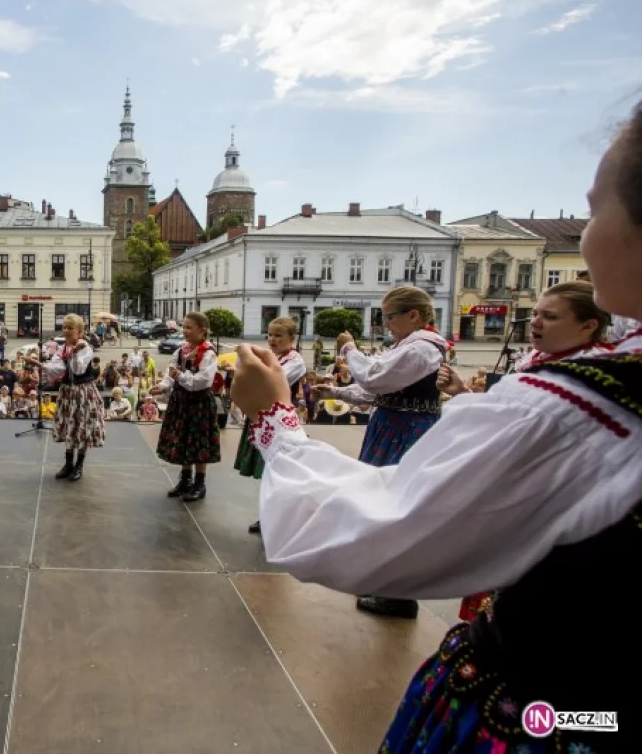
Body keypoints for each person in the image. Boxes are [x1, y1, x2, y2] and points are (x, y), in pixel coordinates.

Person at [230, 100, 642, 753]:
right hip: (596, 710)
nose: (587, 235)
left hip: (548, 713)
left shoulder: (585, 406)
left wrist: (275, 416)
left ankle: (395, 601)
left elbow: (391, 520)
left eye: (596, 210)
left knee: (415, 496)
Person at [438, 280, 613, 623]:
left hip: (558, 501)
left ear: (588, 326)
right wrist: (461, 392)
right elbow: (506, 415)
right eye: (534, 313)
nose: (534, 322)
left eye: (549, 316)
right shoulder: (537, 361)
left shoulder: (594, 374)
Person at [310, 287, 448, 619]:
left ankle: (398, 593)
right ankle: (385, 581)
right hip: (395, 426)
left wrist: (348, 349)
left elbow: (375, 377)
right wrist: (337, 391)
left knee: (397, 506)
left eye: (388, 317)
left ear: (412, 315)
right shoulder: (413, 347)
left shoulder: (422, 349)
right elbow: (383, 388)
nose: (385, 324)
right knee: (383, 501)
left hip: (406, 432)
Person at [237, 317, 306, 535]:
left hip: (280, 423)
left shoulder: (295, 361)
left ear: (291, 339)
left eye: (278, 335)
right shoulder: (271, 357)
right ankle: (267, 514)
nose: (272, 339)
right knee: (266, 470)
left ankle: (279, 517)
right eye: (270, 334)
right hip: (264, 417)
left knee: (277, 469)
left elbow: (272, 382)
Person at [151, 312, 219, 502]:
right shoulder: (181, 350)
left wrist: (179, 376)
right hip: (181, 400)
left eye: (189, 327)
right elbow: (170, 372)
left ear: (202, 330)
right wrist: (163, 386)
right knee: (184, 440)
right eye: (184, 326)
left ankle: (200, 484)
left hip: (199, 402)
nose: (185, 331)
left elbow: (203, 381)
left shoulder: (208, 353)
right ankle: (185, 480)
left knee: (198, 443)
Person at [33, 314, 105, 482]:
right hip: (67, 392)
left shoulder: (85, 348)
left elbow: (79, 369)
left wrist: (74, 352)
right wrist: (41, 365)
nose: (66, 330)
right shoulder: (63, 348)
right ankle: (68, 464)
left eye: (70, 328)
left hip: (83, 392)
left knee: (81, 428)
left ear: (79, 331)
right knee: (69, 427)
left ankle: (78, 466)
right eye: (64, 327)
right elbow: (56, 368)